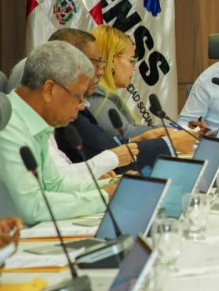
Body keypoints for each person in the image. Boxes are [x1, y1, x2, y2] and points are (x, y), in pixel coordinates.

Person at [0, 42, 115, 225]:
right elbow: (33, 207)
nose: (82, 105)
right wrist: (102, 198)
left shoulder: (37, 123)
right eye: (78, 96)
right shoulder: (7, 125)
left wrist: (112, 187)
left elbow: (55, 185)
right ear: (49, 90)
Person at [49, 28, 175, 174]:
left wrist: (139, 139)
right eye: (98, 62)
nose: (102, 70)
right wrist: (170, 141)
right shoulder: (95, 97)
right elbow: (104, 148)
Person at [88, 25, 197, 153]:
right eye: (131, 61)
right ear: (112, 61)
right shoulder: (96, 94)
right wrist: (177, 131)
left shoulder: (104, 93)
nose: (134, 68)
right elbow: (126, 134)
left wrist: (182, 130)